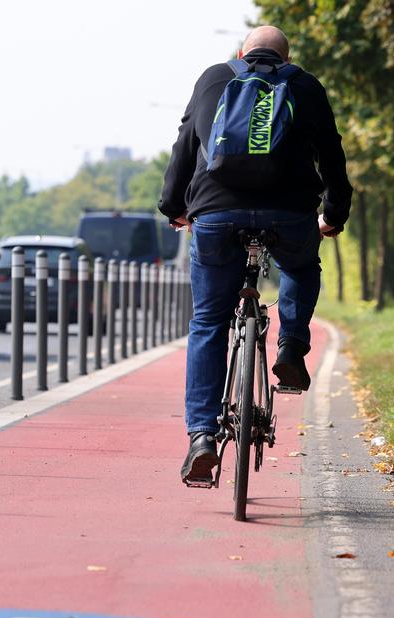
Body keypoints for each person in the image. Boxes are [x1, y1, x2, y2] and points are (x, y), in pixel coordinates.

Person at [158, 25, 352, 485]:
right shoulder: (303, 84)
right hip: (289, 214)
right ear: (285, 56)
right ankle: (290, 344)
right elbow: (332, 155)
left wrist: (174, 207)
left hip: (215, 213)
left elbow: (185, 146)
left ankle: (202, 437)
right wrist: (334, 214)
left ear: (243, 52)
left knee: (208, 322)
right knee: (302, 267)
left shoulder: (213, 78)